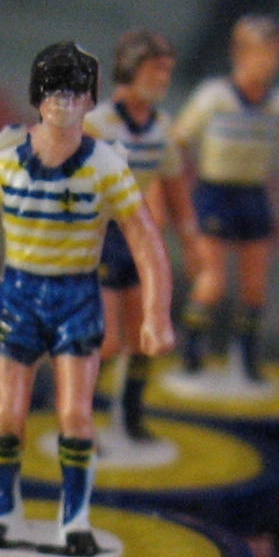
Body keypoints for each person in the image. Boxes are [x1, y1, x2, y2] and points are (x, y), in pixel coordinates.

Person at [0, 41, 173, 557]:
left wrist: (155, 313)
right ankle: (2, 506)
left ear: (90, 100)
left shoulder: (106, 165)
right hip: (18, 294)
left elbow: (145, 239)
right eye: (55, 91)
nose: (64, 102)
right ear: (38, 96)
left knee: (76, 415)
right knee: (5, 413)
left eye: (76, 93)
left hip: (77, 296)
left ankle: (75, 518)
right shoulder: (5, 161)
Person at [170, 14, 279, 383]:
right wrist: (175, 201)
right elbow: (175, 145)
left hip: (252, 195)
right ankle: (191, 352)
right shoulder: (214, 97)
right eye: (261, 54)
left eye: (275, 55)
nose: (268, 63)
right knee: (213, 283)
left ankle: (247, 358)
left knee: (255, 287)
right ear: (240, 54)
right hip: (214, 194)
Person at [85, 29, 191, 441]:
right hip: (98, 237)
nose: (163, 78)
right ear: (131, 68)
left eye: (168, 71)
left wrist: (191, 239)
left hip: (138, 238)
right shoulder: (96, 123)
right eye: (155, 69)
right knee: (106, 341)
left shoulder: (163, 127)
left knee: (142, 338)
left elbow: (175, 188)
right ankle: (79, 417)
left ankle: (129, 418)